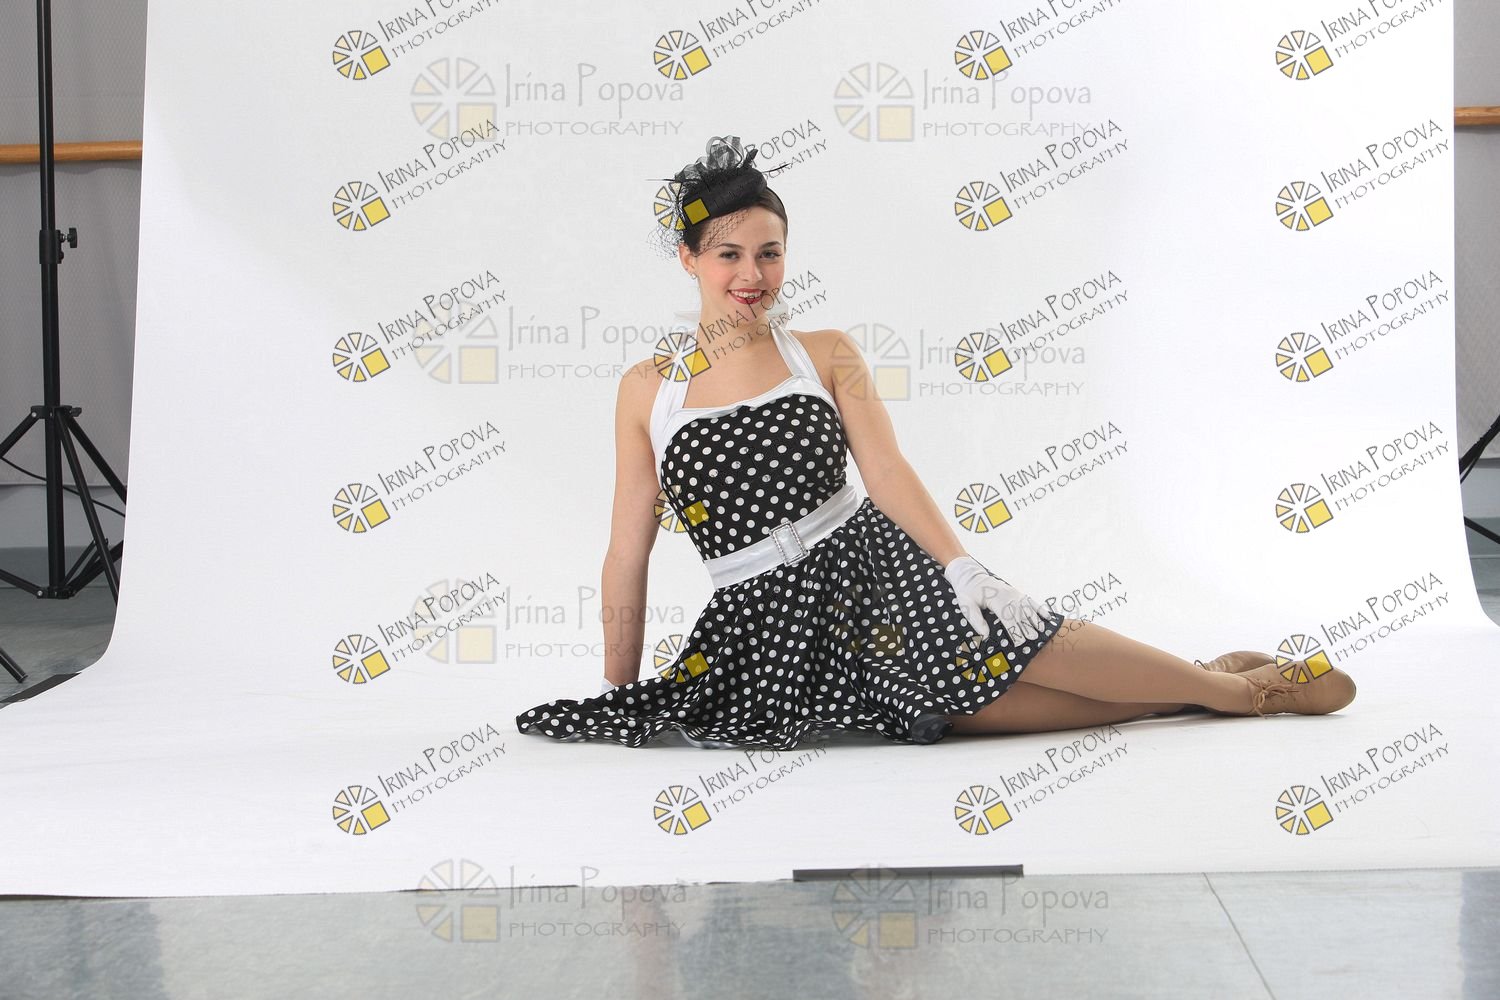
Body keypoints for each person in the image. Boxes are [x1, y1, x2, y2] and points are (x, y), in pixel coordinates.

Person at [514, 135, 1356, 750]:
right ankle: (1204, 683)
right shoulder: (648, 389)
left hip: (875, 568)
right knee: (964, 710)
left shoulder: (824, 353)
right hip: (765, 624)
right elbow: (627, 549)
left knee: (1028, 645)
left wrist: (961, 567)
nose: (752, 276)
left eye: (769, 254)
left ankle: (1242, 695)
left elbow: (885, 470)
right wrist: (617, 687)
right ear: (688, 259)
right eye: (728, 254)